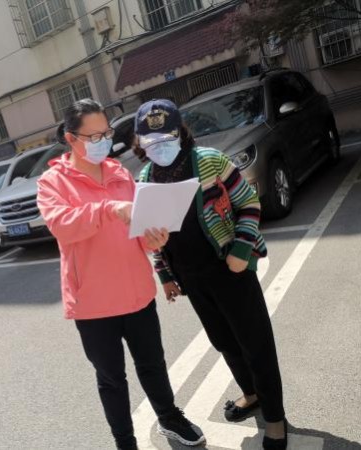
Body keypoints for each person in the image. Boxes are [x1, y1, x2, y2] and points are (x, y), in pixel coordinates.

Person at [37, 99, 205, 450]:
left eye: (107, 133)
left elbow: (139, 228)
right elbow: (62, 225)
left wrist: (153, 238)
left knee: (153, 364)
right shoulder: (53, 182)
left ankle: (169, 418)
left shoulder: (118, 172)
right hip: (93, 303)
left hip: (136, 292)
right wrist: (109, 209)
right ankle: (125, 441)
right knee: (111, 378)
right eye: (94, 136)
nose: (103, 141)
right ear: (71, 138)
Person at [135, 99, 287, 450]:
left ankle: (275, 419)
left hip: (229, 267)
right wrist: (166, 276)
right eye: (151, 141)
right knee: (224, 341)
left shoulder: (210, 161)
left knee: (256, 343)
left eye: (166, 137)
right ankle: (252, 394)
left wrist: (241, 250)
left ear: (180, 132)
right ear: (140, 143)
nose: (159, 146)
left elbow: (248, 202)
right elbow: (152, 233)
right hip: (191, 277)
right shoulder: (145, 178)